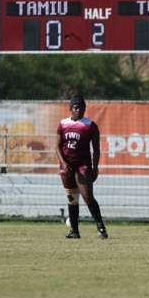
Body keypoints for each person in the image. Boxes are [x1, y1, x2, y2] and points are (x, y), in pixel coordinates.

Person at [55, 95, 108, 239]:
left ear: (85, 109)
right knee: (72, 198)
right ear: (70, 109)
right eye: (75, 107)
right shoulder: (63, 124)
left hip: (82, 164)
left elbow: (96, 150)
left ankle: (101, 227)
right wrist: (64, 163)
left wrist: (95, 168)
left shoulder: (90, 125)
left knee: (87, 196)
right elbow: (58, 147)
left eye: (81, 107)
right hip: (67, 165)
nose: (78, 110)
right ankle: (74, 231)